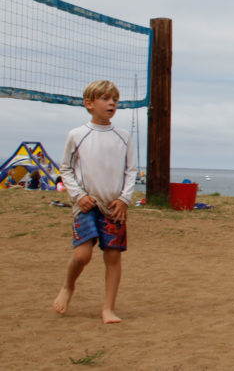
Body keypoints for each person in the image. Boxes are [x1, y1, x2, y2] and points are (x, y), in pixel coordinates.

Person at [53, 80, 137, 324]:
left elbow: (131, 171)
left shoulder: (123, 136)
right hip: (86, 205)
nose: (111, 103)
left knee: (113, 256)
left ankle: (108, 308)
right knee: (82, 256)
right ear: (89, 103)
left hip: (114, 207)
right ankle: (68, 286)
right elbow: (66, 169)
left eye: (115, 99)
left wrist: (124, 199)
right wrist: (79, 196)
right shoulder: (77, 135)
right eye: (105, 98)